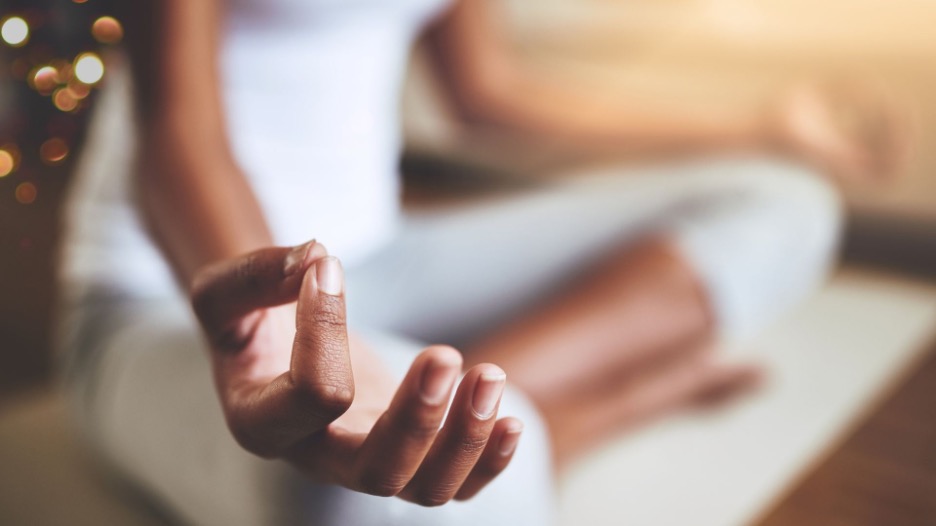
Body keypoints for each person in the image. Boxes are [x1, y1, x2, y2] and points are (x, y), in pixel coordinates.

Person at [56, 0, 905, 525]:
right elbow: (178, 134)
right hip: (164, 299)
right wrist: (273, 343)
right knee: (361, 502)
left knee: (783, 205)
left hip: (385, 261)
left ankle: (499, 414)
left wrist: (762, 125)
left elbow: (488, 92)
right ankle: (576, 416)